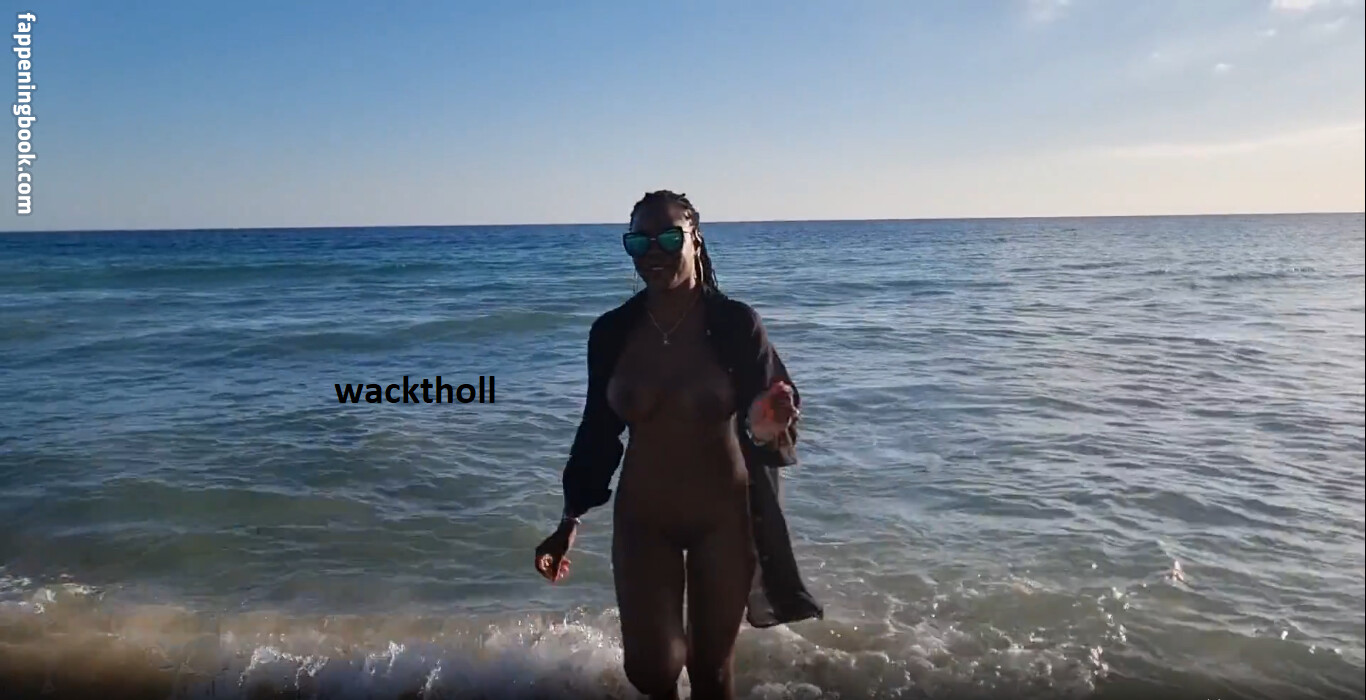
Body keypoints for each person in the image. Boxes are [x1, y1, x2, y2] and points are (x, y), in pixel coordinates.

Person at [534, 190, 824, 700]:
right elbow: (598, 430)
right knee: (652, 668)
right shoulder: (612, 333)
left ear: (696, 241)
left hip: (724, 517)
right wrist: (569, 518)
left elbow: (773, 421)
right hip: (644, 518)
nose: (654, 251)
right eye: (638, 241)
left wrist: (765, 427)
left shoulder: (735, 325)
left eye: (670, 238)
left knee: (710, 670)